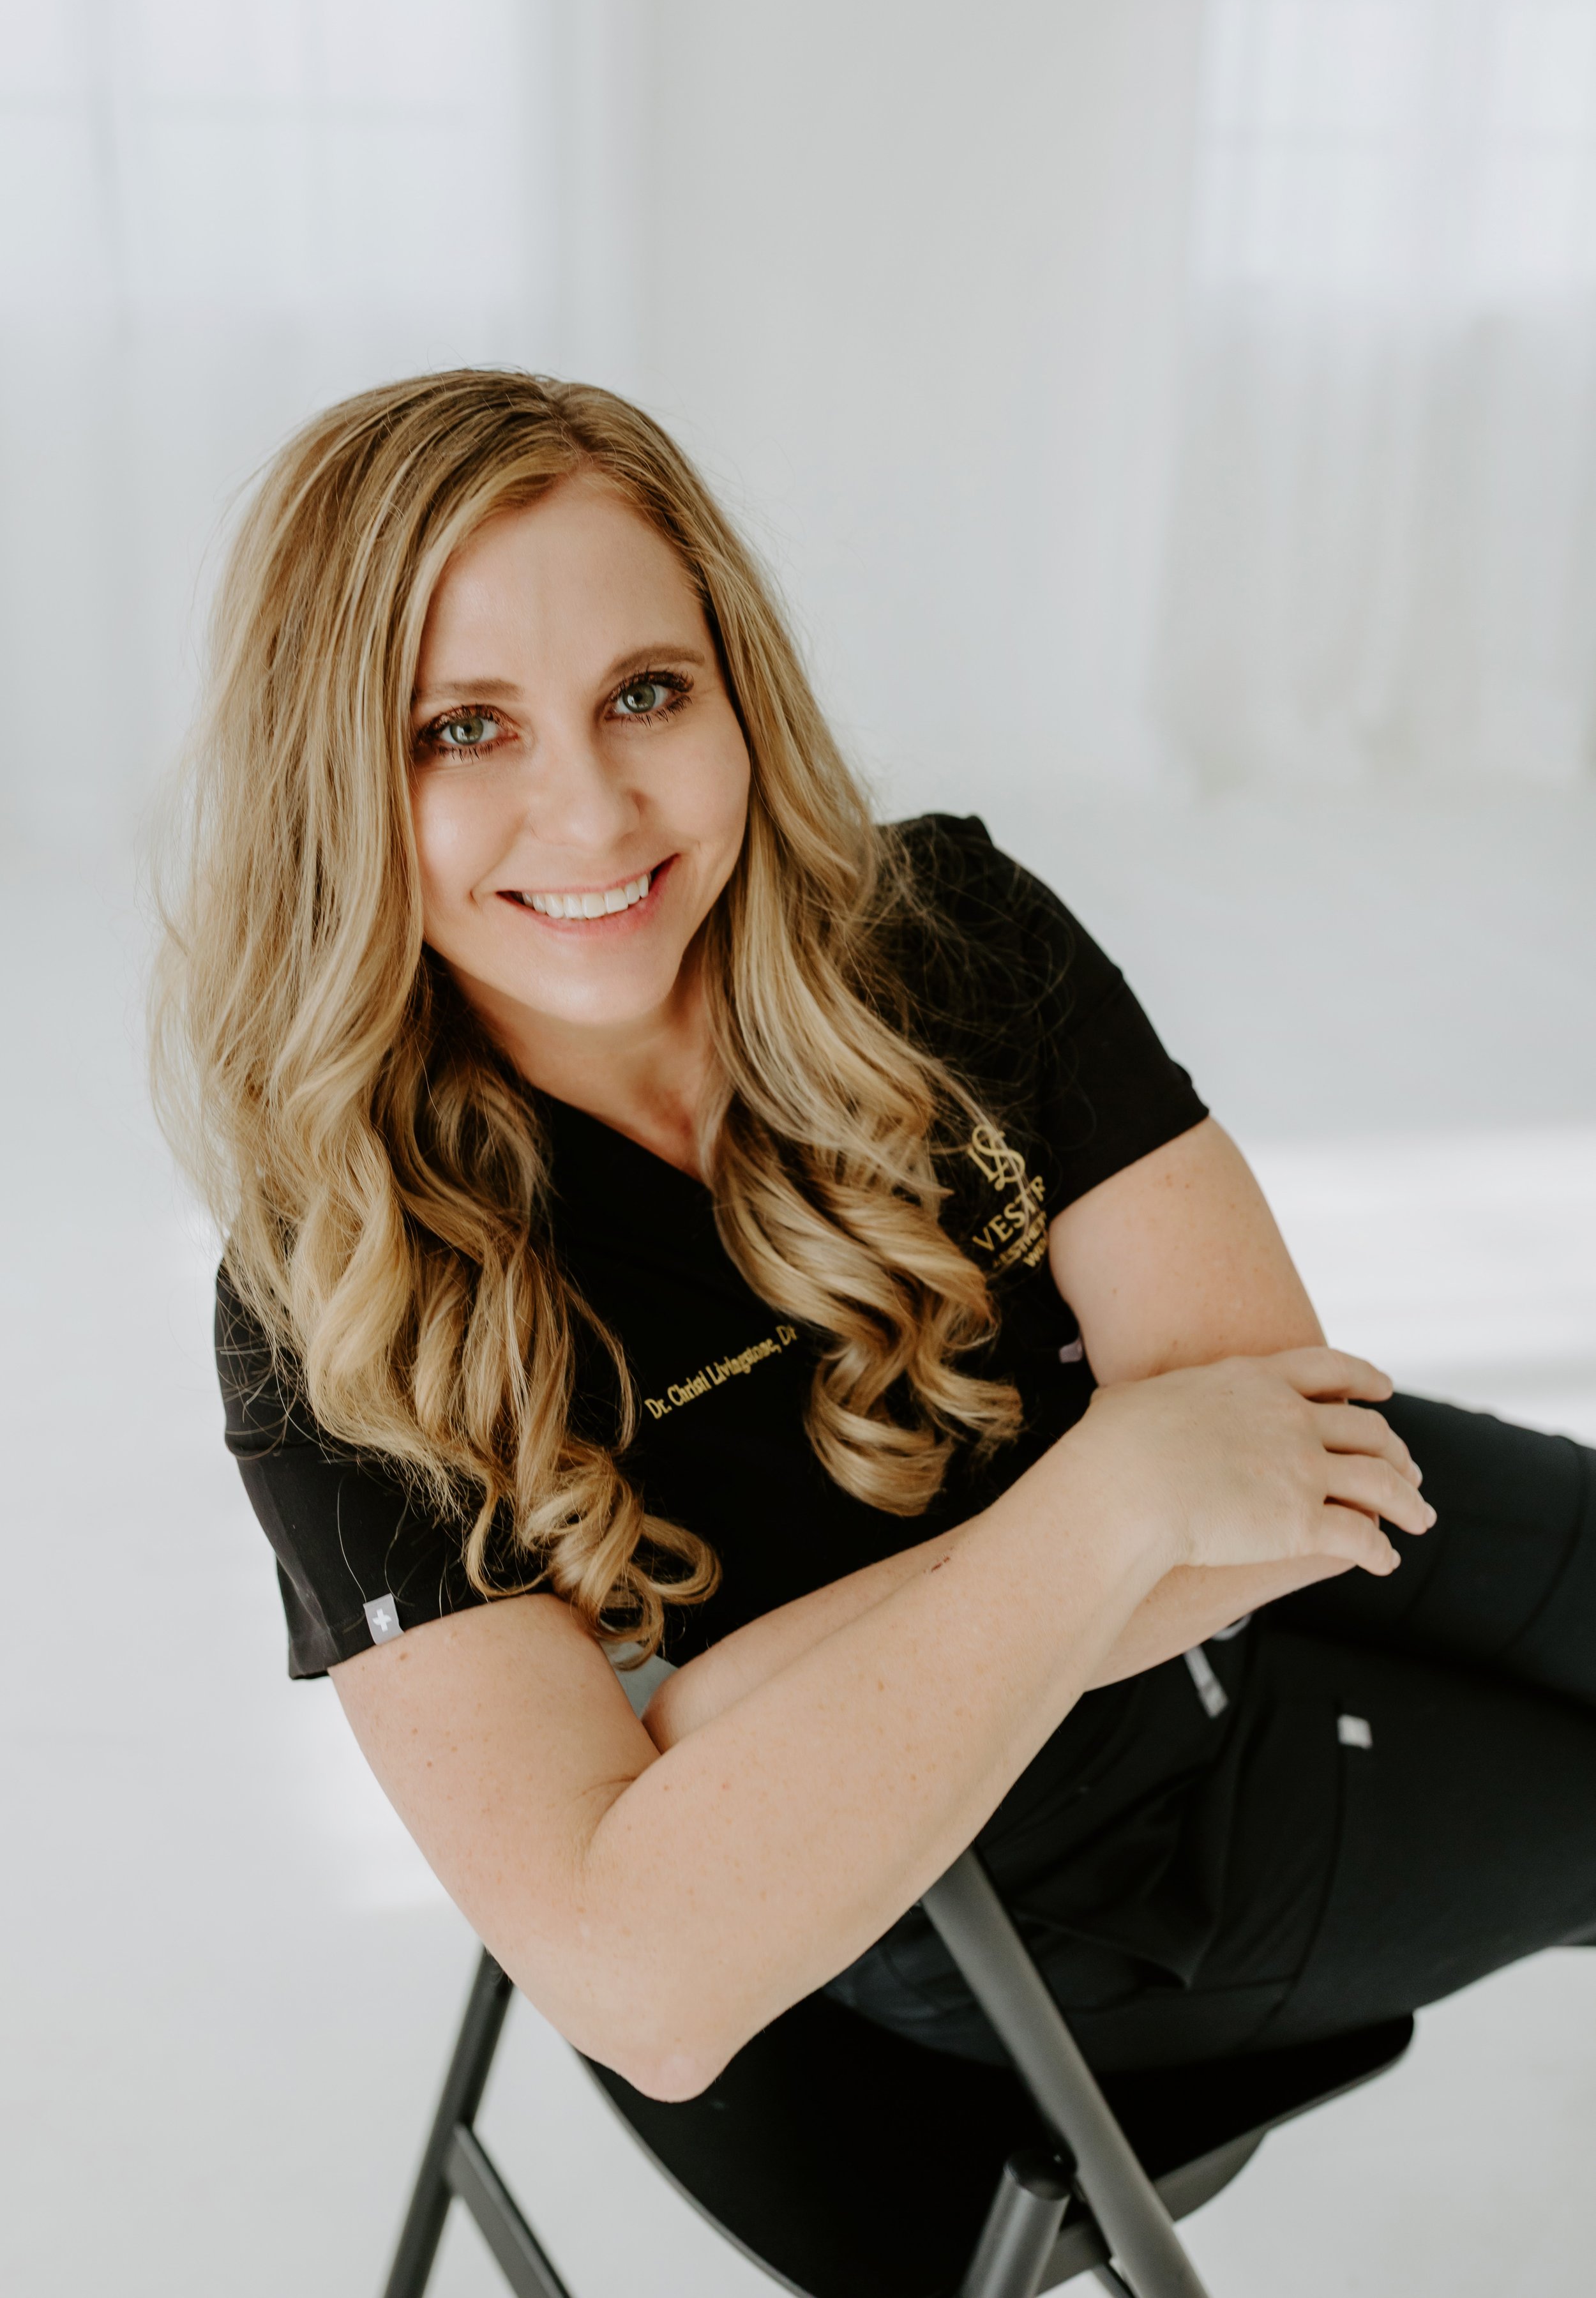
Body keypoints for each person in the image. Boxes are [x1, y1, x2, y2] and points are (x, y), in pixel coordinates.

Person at [153, 370, 1595, 2108]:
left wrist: (729, 1719)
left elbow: (1300, 1476)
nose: (595, 813)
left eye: (645, 693)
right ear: (335, 781)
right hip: (1039, 1881)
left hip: (1311, 1553)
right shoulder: (334, 1306)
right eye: (462, 727)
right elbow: (647, 1985)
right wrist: (1118, 1492)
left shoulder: (949, 930)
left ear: (735, 693)